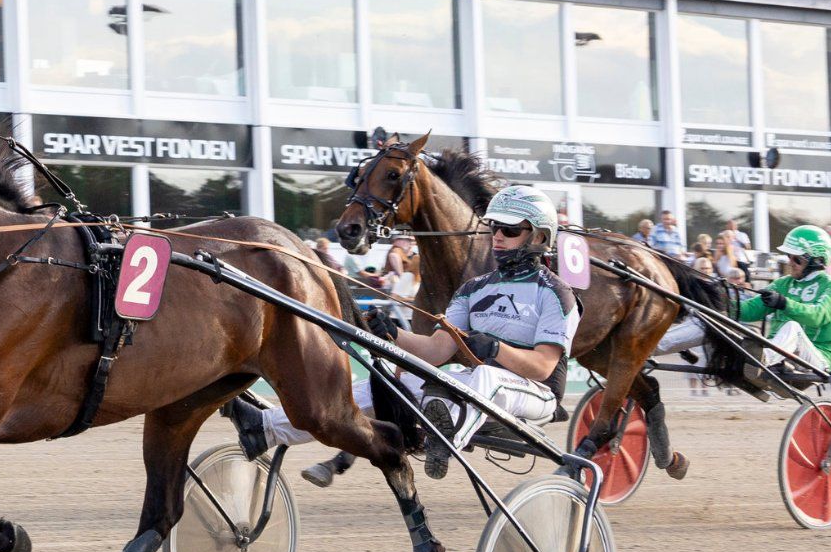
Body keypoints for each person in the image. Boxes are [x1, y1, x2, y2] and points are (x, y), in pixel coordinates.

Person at [227, 186, 580, 483]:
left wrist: (494, 348)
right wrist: (390, 333)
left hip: (535, 395)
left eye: (510, 230)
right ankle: (265, 427)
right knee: (385, 384)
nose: (498, 237)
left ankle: (444, 437)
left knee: (484, 375)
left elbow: (543, 366)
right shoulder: (474, 289)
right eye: (493, 228)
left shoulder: (555, 292)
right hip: (475, 388)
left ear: (540, 237)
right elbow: (435, 350)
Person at [736, 225, 831, 374]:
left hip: (816, 360)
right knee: (710, 318)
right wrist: (717, 300)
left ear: (816, 260)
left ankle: (762, 362)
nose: (790, 263)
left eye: (796, 259)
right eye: (789, 257)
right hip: (781, 355)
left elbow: (816, 316)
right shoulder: (782, 284)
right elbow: (749, 310)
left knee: (793, 327)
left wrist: (784, 303)